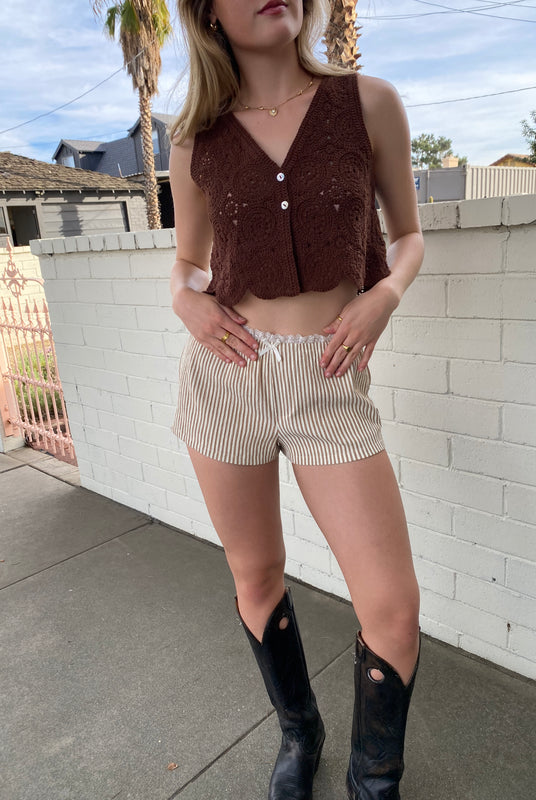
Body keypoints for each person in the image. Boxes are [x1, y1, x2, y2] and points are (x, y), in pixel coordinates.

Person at [169, 1, 425, 798]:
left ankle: (373, 777)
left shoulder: (368, 102)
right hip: (225, 377)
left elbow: (409, 234)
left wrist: (384, 297)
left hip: (328, 381)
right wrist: (185, 300)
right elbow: (185, 261)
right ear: (207, 13)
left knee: (392, 608)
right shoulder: (195, 136)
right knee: (257, 573)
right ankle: (299, 732)